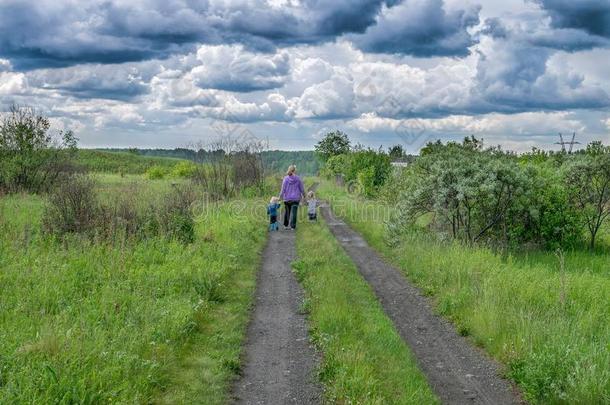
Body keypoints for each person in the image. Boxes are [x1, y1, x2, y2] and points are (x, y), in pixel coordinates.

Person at [279, 165, 305, 230]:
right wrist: (304, 196)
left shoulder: (285, 179)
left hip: (287, 199)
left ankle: (285, 225)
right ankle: (293, 227)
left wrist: (280, 197)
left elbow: (283, 189)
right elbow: (302, 189)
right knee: (294, 213)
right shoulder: (298, 178)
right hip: (295, 199)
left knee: (287, 212)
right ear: (294, 170)